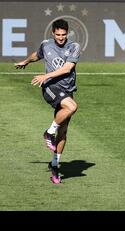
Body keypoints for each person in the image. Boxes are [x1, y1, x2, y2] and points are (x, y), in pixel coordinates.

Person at [14, 19, 80, 184]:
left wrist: (44, 75)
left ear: (67, 33)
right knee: (72, 107)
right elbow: (37, 55)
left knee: (63, 131)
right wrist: (26, 61)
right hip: (50, 88)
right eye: (57, 34)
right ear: (53, 33)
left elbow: (67, 68)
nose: (60, 38)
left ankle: (55, 165)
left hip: (67, 91)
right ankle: (49, 132)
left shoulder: (74, 47)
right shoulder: (46, 44)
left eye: (63, 35)